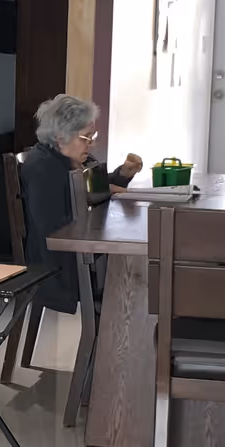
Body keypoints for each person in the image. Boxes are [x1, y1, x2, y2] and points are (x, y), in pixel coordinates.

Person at [18, 94, 141, 313]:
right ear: (60, 137)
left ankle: (108, 345)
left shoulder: (68, 160)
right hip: (59, 269)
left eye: (92, 136)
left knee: (135, 271)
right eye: (85, 137)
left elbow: (98, 188)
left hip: (79, 260)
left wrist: (121, 175)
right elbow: (55, 229)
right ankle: (112, 343)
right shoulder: (42, 168)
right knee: (134, 279)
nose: (91, 143)